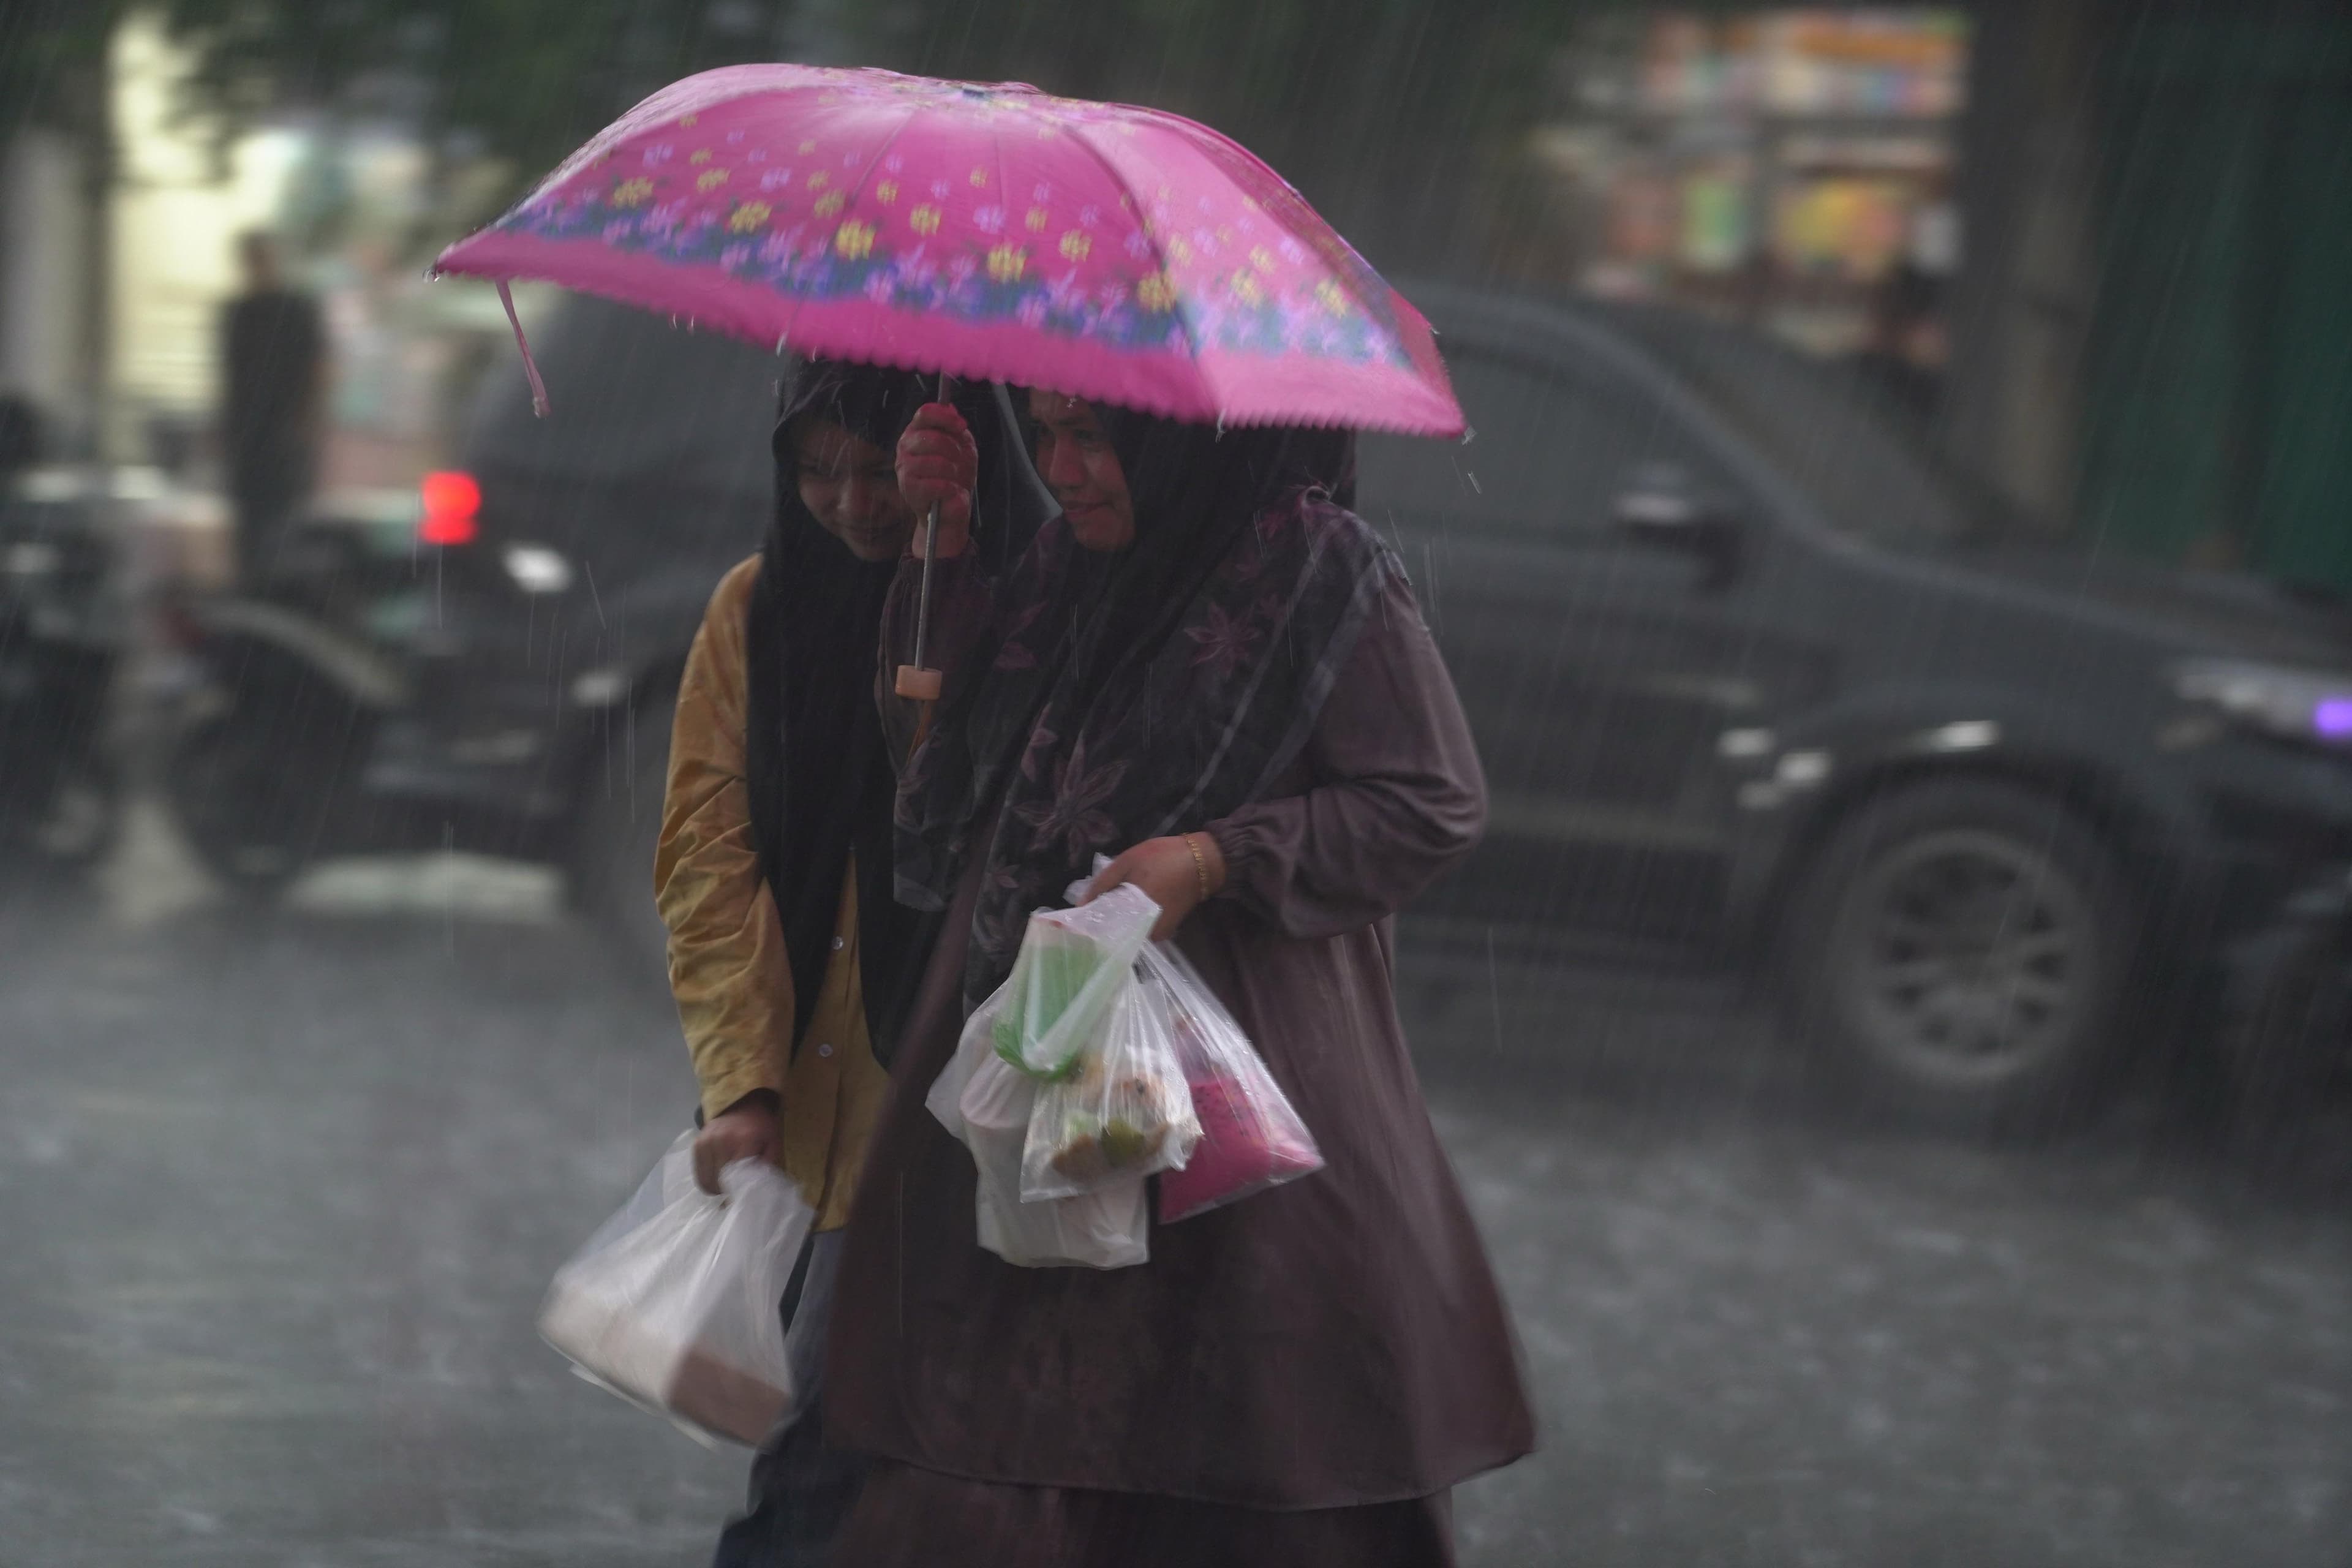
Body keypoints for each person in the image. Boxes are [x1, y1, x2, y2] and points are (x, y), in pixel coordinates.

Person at [818, 390, 1535, 1566]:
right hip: (1046, 1068)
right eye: (1044, 435)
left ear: (1189, 438)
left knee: (1241, 1444)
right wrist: (937, 550)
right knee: (994, 1451)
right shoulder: (1068, 569)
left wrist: (1213, 859)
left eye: (1094, 437)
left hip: (1222, 1098)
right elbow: (949, 775)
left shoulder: (1317, 571)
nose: (1062, 469)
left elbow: (1427, 804)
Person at [655, 358, 1045, 1568]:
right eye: (817, 468)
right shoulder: (757, 609)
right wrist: (742, 1083)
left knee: (832, 1448)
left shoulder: (1028, 607)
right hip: (798, 1109)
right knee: (855, 1447)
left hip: (947, 1088)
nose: (849, 500)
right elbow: (706, 851)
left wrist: (950, 583)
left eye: (882, 466)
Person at [217, 231, 325, 587]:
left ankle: (277, 587)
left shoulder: (295, 310)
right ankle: (254, 585)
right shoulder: (238, 313)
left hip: (282, 432)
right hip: (248, 435)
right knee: (250, 523)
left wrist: (307, 422)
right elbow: (229, 375)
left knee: (284, 520)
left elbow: (314, 368)